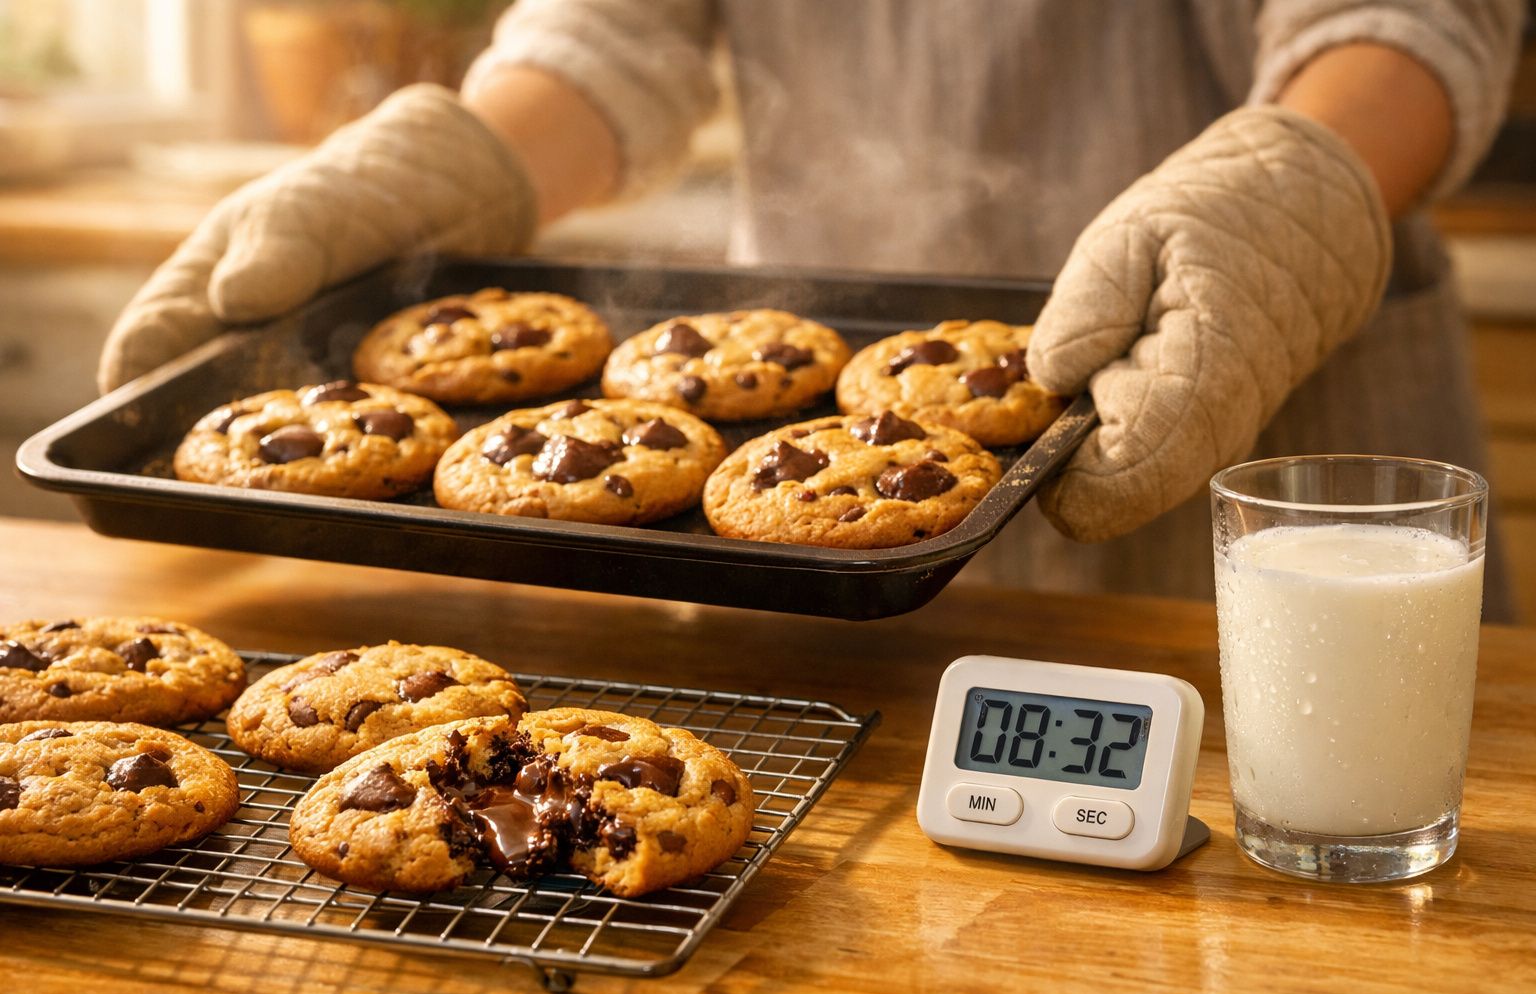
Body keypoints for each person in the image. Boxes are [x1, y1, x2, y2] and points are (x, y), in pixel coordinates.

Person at [99, 1, 1522, 619]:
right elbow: (614, 41)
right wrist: (464, 163)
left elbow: (1408, 18)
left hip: (1280, 409)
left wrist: (1297, 193)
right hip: (817, 455)